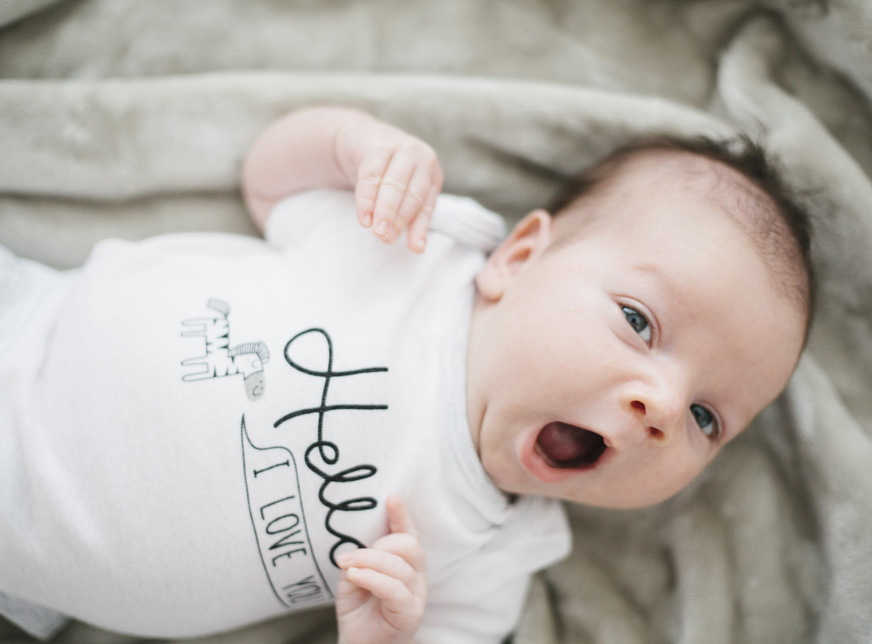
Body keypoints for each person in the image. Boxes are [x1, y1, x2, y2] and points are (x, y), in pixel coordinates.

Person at [0, 107, 813, 644]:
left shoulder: (492, 558)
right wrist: (356, 146)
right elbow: (270, 181)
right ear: (520, 257)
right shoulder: (412, 246)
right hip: (26, 328)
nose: (664, 406)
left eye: (710, 418)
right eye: (639, 322)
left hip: (31, 574)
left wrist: (388, 634)